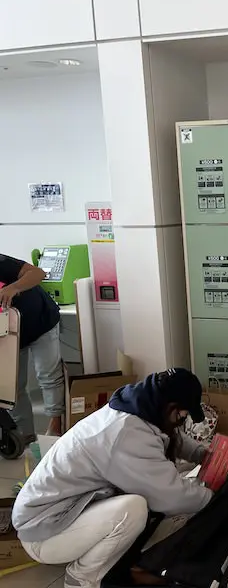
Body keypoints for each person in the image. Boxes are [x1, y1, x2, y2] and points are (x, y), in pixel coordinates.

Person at [12, 368, 214, 588]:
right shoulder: (126, 434)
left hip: (59, 512)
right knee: (133, 509)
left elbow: (169, 434)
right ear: (171, 407)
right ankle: (81, 579)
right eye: (181, 416)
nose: (180, 422)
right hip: (43, 533)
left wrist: (202, 454)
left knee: (149, 497)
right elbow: (171, 497)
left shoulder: (139, 406)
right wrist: (213, 496)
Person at [0, 252, 65, 438]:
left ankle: (56, 426)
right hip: (8, 332)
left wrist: (13, 288)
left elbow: (38, 273)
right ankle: (24, 434)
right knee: (12, 385)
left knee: (48, 375)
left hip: (40, 321)